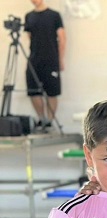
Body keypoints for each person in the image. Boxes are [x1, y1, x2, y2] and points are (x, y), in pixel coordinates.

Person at [24, 0, 66, 131]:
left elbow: (62, 38)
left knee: (52, 92)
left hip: (51, 59)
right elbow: (30, 37)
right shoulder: (29, 16)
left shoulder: (54, 15)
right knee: (33, 91)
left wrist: (60, 60)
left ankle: (50, 122)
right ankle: (41, 119)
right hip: (34, 60)